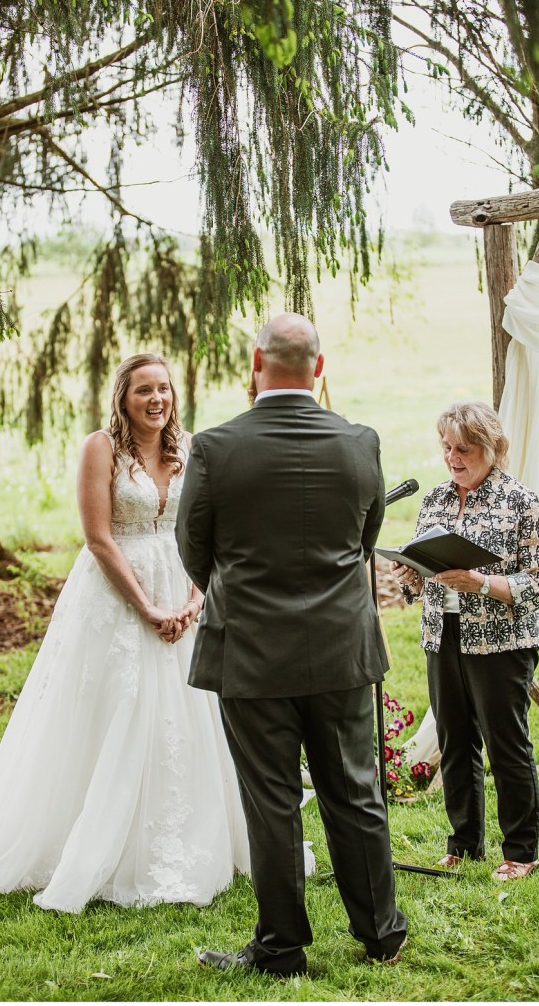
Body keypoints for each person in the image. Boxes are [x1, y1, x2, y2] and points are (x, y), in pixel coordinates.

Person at [0, 353, 249, 912]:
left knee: (188, 713)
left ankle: (190, 833)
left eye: (163, 388)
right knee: (120, 706)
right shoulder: (101, 449)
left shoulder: (189, 448)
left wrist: (192, 599)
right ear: (123, 397)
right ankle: (94, 840)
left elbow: (209, 530)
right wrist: (147, 608)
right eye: (144, 390)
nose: (156, 399)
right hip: (117, 596)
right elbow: (97, 537)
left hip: (182, 589)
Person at [176, 313, 408, 976]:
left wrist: (242, 598)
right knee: (355, 792)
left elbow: (195, 550)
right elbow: (363, 542)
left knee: (271, 802)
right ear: (319, 366)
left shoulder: (216, 448)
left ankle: (281, 951)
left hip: (250, 651)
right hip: (340, 649)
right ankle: (381, 936)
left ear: (256, 366)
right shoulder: (359, 442)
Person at [391, 401, 539, 881]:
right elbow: (425, 577)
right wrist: (411, 576)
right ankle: (464, 844)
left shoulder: (522, 503)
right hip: (441, 634)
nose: (452, 458)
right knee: (455, 740)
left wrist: (483, 584)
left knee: (507, 745)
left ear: (492, 447)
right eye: (446, 448)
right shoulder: (436, 500)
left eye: (463, 449)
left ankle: (521, 851)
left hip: (501, 642)